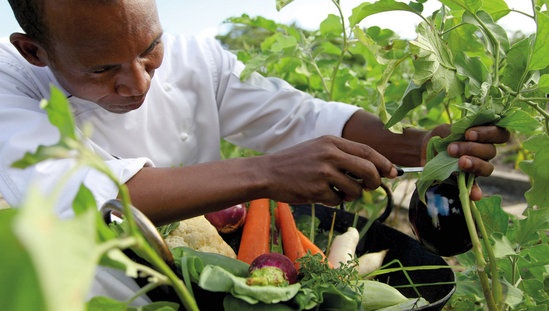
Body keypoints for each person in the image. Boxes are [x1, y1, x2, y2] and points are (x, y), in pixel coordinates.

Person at [1, 0, 509, 305]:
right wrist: (266, 173)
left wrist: (424, 145)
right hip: (99, 299)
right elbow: (88, 200)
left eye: (148, 48)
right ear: (34, 51)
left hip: (219, 289)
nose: (138, 82)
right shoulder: (8, 81)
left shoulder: (199, 59)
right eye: (100, 69)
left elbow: (303, 117)